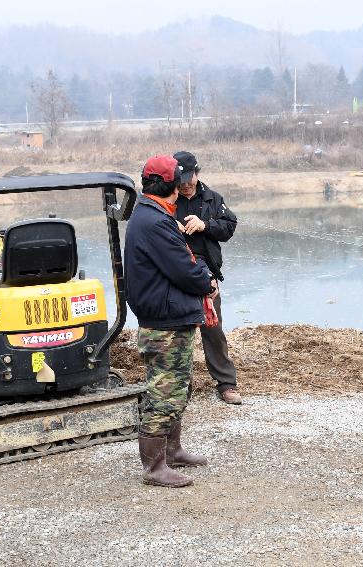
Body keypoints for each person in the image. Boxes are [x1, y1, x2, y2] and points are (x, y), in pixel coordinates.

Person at [125, 155, 215, 488]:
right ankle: (154, 467)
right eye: (179, 181)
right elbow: (184, 270)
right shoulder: (154, 222)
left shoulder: (151, 216)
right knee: (164, 392)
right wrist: (207, 280)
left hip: (169, 318)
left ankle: (173, 450)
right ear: (171, 186)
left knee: (178, 387)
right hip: (164, 324)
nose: (183, 185)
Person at [173, 151, 241, 405]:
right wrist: (175, 228)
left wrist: (205, 225)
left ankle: (226, 383)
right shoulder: (167, 198)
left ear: (197, 174)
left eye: (189, 178)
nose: (185, 184)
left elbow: (229, 227)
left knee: (213, 330)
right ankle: (181, 386)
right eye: (180, 179)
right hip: (177, 273)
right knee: (180, 332)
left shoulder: (212, 198)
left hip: (207, 273)